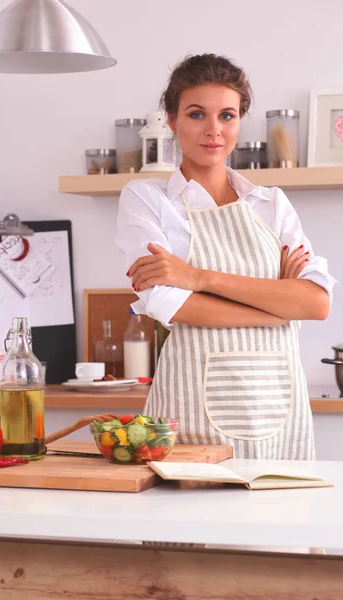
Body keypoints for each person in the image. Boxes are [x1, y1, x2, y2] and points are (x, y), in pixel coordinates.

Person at [116, 53, 335, 460]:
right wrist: (278, 306)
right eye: (197, 114)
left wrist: (197, 278)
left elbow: (316, 303)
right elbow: (170, 303)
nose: (214, 131)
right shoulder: (147, 200)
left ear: (240, 119)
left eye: (227, 116)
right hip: (190, 409)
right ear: (172, 118)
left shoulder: (272, 204)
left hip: (278, 407)